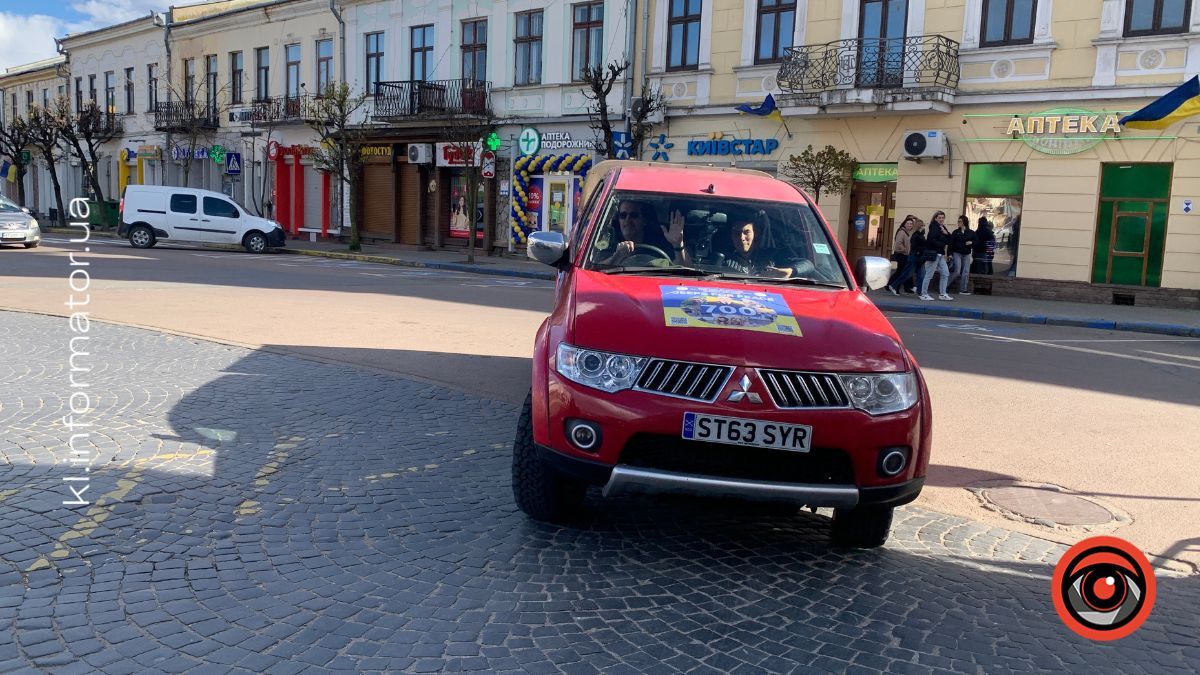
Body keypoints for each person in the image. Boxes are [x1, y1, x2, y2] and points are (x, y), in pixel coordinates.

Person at [597, 199, 687, 266]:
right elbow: (594, 270)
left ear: (644, 220)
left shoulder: (661, 244)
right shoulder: (608, 243)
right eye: (623, 215)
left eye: (633, 215)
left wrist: (677, 244)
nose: (627, 220)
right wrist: (617, 255)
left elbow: (685, 272)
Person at [718, 216, 792, 278]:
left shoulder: (772, 256)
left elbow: (803, 263)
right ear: (731, 236)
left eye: (746, 232)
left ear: (755, 233)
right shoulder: (722, 259)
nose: (741, 237)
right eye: (736, 233)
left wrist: (790, 271)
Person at [919, 210, 952, 301]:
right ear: (935, 218)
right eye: (939, 218)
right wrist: (942, 243)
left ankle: (943, 294)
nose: (941, 219)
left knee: (945, 273)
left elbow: (950, 240)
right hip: (934, 254)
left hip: (940, 254)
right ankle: (924, 294)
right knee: (929, 274)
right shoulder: (934, 227)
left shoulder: (942, 227)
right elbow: (931, 240)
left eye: (942, 218)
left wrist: (946, 233)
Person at [885, 215, 915, 295]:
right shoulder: (902, 232)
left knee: (902, 271)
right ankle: (894, 287)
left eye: (911, 224)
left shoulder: (908, 232)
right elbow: (898, 244)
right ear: (904, 224)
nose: (910, 225)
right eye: (908, 223)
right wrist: (905, 251)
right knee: (901, 272)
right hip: (902, 255)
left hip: (905, 255)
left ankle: (890, 285)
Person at [948, 214, 974, 295]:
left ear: (964, 222)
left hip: (966, 253)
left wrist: (971, 242)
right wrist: (949, 254)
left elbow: (977, 242)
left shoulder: (971, 232)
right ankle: (944, 285)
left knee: (966, 272)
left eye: (960, 221)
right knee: (957, 271)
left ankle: (963, 289)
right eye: (958, 221)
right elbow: (951, 244)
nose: (958, 223)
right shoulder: (956, 232)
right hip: (957, 253)